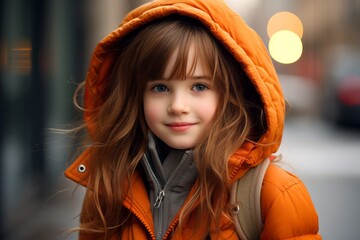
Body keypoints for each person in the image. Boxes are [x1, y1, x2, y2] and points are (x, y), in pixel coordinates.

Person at [65, 0, 321, 239]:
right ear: (136, 95)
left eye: (199, 87)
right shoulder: (110, 184)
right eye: (160, 88)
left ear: (230, 94)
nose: (178, 106)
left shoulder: (272, 193)